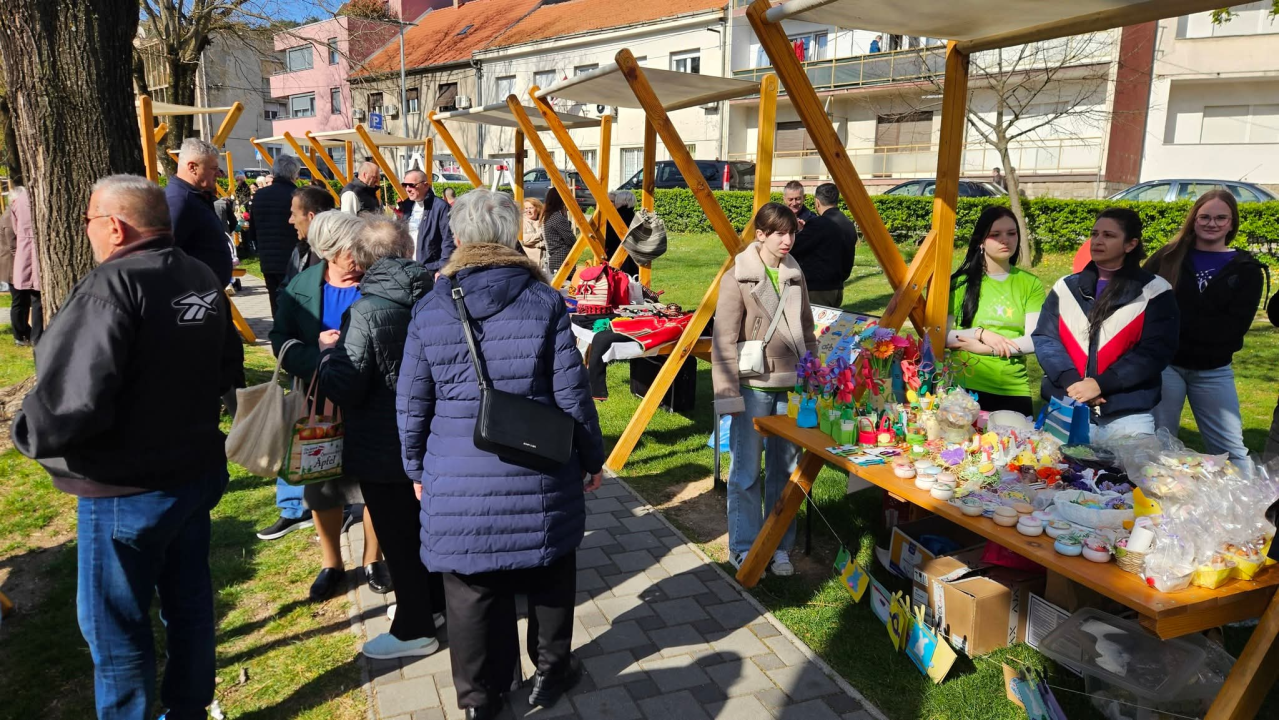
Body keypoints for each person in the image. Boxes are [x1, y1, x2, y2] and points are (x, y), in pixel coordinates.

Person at [11, 174, 243, 720]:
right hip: (190, 473)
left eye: (89, 220)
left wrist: (26, 433)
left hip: (126, 489)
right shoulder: (200, 275)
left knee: (115, 628)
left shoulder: (111, 287)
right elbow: (228, 366)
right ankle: (188, 708)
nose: (87, 231)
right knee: (188, 606)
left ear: (112, 226)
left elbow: (71, 402)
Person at [397, 189, 605, 719]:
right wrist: (590, 457)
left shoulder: (431, 306)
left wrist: (416, 466)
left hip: (457, 471)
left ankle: (478, 699)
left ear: (459, 238)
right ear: (512, 236)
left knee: (469, 586)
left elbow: (412, 399)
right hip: (540, 464)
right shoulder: (545, 300)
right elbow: (572, 393)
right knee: (551, 569)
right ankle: (551, 670)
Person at [318, 219, 443, 659]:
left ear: (362, 259)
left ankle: (414, 628)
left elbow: (348, 383)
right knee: (425, 530)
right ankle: (437, 605)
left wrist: (328, 356)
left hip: (383, 442)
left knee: (399, 538)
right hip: (430, 436)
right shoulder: (434, 294)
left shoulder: (366, 309)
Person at [269, 210, 389, 601]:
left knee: (377, 482)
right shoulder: (300, 287)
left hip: (373, 399)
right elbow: (280, 339)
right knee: (322, 487)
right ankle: (332, 563)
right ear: (326, 251)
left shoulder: (378, 279)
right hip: (319, 400)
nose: (358, 257)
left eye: (360, 248)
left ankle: (374, 558)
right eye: (349, 251)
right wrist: (315, 351)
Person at [712, 202, 818, 577]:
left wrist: (814, 376)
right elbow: (723, 341)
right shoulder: (737, 277)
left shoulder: (795, 274)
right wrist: (728, 395)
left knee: (785, 471)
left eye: (791, 233)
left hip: (790, 386)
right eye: (779, 233)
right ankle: (743, 546)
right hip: (752, 385)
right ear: (761, 235)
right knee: (746, 471)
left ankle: (778, 546)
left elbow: (807, 330)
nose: (787, 240)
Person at [1033, 208, 1179, 444]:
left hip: (1126, 415)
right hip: (1067, 405)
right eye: (1095, 234)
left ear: (1130, 244)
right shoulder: (1065, 287)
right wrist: (1072, 383)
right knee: (1055, 478)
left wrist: (1100, 385)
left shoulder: (1154, 291)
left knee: (1129, 480)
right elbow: (1045, 339)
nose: (1098, 241)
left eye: (1109, 235)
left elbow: (1155, 351)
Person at [1146, 190, 1263, 464]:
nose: (1212, 223)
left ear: (1232, 223)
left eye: (1221, 218)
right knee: (1158, 443)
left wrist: (1177, 326)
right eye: (1205, 217)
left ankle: (1249, 505)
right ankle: (1156, 502)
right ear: (1194, 220)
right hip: (1167, 366)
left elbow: (1233, 329)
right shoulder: (1167, 257)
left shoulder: (1246, 269)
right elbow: (1140, 302)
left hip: (1214, 370)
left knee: (1231, 450)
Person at [255, 186, 335, 543]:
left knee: (316, 437)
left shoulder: (333, 262)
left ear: (312, 217)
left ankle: (323, 508)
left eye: (294, 212)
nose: (289, 219)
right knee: (297, 431)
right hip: (302, 364)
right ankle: (294, 508)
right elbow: (285, 295)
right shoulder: (299, 252)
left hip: (327, 371)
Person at [946, 206, 1046, 416]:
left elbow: (1033, 339)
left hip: (1013, 388)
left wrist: (988, 349)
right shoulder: (959, 283)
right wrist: (980, 333)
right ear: (981, 240)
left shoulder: (1030, 284)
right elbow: (943, 336)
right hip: (964, 388)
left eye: (1012, 233)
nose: (1005, 240)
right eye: (995, 234)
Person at [167, 138, 233, 289]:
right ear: (192, 167)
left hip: (205, 294)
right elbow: (165, 254)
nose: (219, 174)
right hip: (194, 298)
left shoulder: (195, 196)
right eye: (213, 168)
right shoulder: (179, 201)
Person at [246, 155, 302, 316]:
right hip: (293, 259)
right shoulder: (297, 195)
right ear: (294, 174)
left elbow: (253, 228)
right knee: (295, 307)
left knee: (275, 304)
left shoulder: (260, 196)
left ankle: (278, 337)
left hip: (268, 257)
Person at [791, 183, 856, 307]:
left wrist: (798, 232)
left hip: (817, 290)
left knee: (812, 326)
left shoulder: (818, 224)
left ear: (817, 202)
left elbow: (793, 247)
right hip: (837, 288)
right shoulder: (848, 224)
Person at [397, 169, 454, 275]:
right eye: (405, 185)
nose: (408, 189)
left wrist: (442, 269)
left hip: (430, 271)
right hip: (407, 269)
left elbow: (449, 241)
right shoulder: (407, 206)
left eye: (412, 185)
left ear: (425, 185)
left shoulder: (440, 207)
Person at [8, 185, 41, 346]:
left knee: (34, 298)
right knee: (36, 299)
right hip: (33, 251)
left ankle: (32, 335)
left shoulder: (18, 202)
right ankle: (35, 335)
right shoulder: (37, 194)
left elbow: (15, 229)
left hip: (25, 251)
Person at [603, 190, 640, 276]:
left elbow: (609, 237)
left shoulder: (617, 216)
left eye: (616, 200)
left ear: (622, 201)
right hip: (632, 255)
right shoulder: (634, 216)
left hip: (616, 253)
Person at [541, 187, 576, 279]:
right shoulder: (557, 218)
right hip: (562, 259)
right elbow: (570, 239)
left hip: (554, 258)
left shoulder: (548, 216)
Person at [521, 197, 546, 268]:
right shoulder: (521, 222)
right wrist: (541, 235)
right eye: (526, 208)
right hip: (529, 261)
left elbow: (549, 239)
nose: (528, 211)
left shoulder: (543, 221)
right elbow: (524, 240)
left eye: (531, 208)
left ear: (537, 209)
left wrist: (534, 242)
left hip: (544, 261)